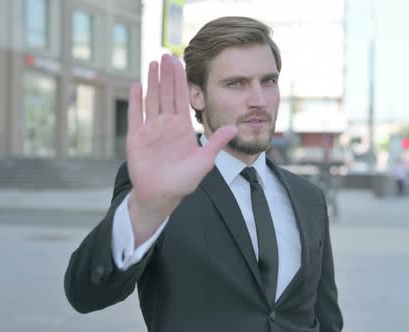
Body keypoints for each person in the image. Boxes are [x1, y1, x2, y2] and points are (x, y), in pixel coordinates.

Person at [64, 16, 343, 332]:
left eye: (268, 81)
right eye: (236, 83)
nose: (259, 100)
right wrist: (144, 211)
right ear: (196, 95)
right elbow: (85, 294)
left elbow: (327, 318)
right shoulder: (163, 188)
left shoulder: (309, 199)